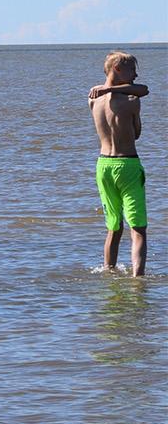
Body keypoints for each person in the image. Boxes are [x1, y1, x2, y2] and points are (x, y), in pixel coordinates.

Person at [88, 51, 148, 276]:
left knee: (113, 227)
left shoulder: (93, 98)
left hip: (103, 166)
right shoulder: (132, 101)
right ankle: (137, 279)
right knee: (138, 229)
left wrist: (108, 88)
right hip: (128, 164)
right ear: (118, 69)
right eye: (132, 69)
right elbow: (137, 133)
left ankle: (108, 271)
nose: (136, 74)